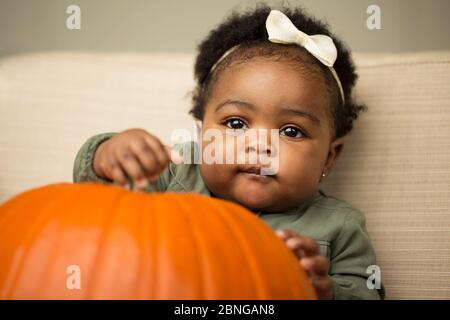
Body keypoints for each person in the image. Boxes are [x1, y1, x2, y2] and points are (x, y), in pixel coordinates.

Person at [73, 5, 384, 299]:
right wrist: (109, 155)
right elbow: (101, 204)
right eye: (236, 123)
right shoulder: (173, 173)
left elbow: (366, 292)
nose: (260, 145)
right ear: (201, 133)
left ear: (329, 157)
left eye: (291, 131)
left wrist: (325, 291)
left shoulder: (340, 226)